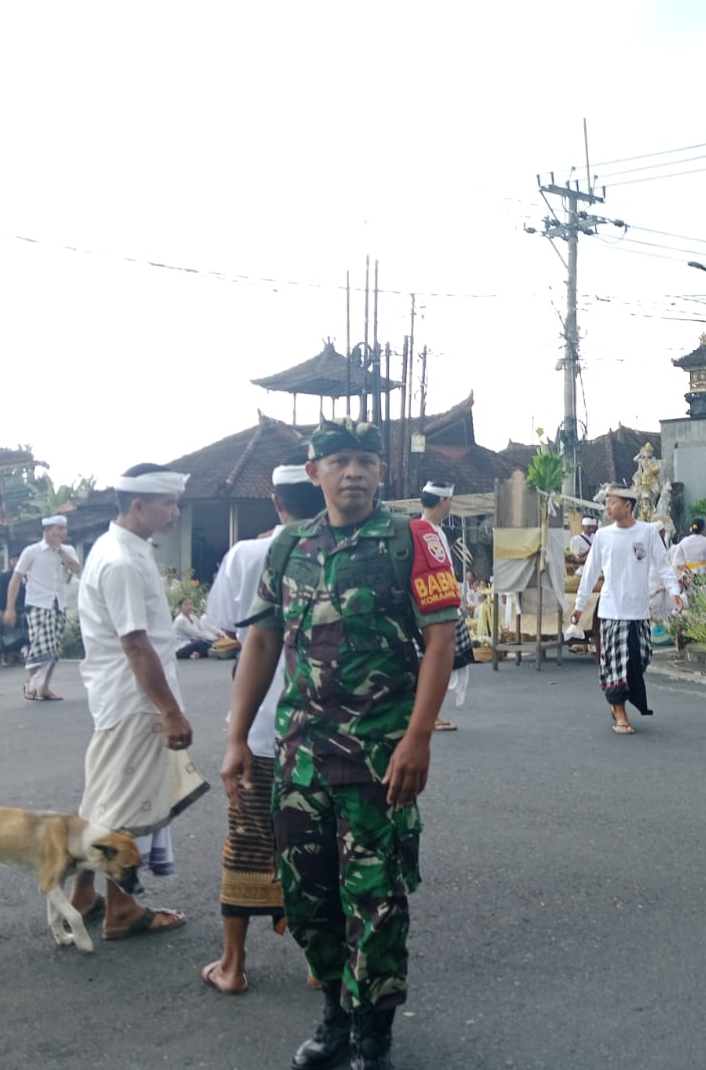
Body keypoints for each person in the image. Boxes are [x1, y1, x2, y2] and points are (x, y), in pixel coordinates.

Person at [221, 417, 459, 1070]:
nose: (353, 471)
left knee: (376, 902)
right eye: (338, 461)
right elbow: (262, 641)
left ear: (381, 471)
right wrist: (237, 736)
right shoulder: (287, 548)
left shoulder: (413, 539)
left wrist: (418, 738)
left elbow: (441, 640)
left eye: (364, 460)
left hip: (379, 762)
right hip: (301, 759)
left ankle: (372, 1035)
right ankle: (335, 1011)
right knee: (308, 900)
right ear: (315, 472)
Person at [198, 457, 323, 996]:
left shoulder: (247, 553)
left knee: (248, 842)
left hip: (257, 722)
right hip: (319, 729)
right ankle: (319, 961)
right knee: (316, 846)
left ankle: (233, 964)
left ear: (276, 502)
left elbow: (225, 626)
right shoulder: (336, 550)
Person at [68, 465, 206, 939]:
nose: (175, 512)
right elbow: (135, 644)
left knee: (103, 800)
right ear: (138, 506)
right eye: (169, 503)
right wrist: (170, 711)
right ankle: (121, 909)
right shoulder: (122, 560)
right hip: (134, 701)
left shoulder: (119, 549)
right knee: (124, 807)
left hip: (120, 697)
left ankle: (83, 893)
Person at [571, 485, 682, 734]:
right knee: (616, 663)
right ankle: (620, 712)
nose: (607, 508)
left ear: (628, 505)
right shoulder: (603, 536)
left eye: (612, 502)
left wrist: (675, 591)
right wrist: (579, 606)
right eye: (607, 503)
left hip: (639, 611)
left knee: (640, 659)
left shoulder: (648, 532)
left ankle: (618, 701)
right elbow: (590, 573)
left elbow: (663, 565)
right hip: (612, 610)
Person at [416, 480, 476, 733]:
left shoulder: (436, 531)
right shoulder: (419, 530)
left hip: (444, 603)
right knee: (433, 661)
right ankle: (429, 715)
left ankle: (429, 713)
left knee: (440, 660)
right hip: (430, 607)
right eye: (450, 500)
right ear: (442, 501)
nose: (451, 505)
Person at [5, 516, 81, 700]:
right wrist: (10, 608)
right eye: (59, 528)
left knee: (53, 649)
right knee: (39, 646)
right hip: (38, 605)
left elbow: (76, 569)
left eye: (64, 528)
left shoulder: (68, 550)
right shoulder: (31, 551)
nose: (63, 532)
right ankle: (32, 685)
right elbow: (16, 579)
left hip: (59, 605)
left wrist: (59, 550)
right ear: (47, 531)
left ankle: (44, 687)